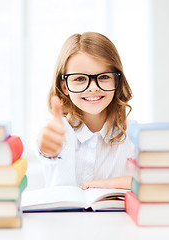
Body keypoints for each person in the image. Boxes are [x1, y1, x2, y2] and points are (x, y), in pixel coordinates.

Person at [37, 32, 138, 190]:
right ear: (64, 86)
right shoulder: (57, 130)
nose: (93, 88)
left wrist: (102, 185)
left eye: (104, 77)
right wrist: (47, 148)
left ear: (117, 81)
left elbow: (152, 183)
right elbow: (46, 146)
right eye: (80, 79)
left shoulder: (134, 135)